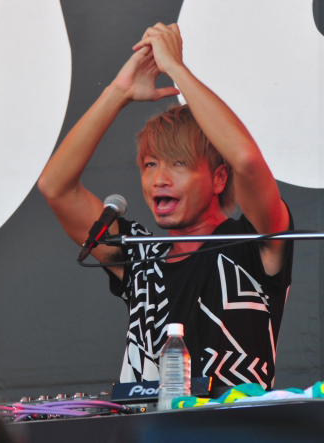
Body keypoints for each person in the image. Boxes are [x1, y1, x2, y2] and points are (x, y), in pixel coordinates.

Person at [38, 23, 293, 389]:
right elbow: (55, 187)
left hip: (234, 420)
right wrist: (118, 92)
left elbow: (248, 161)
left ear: (219, 178)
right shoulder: (141, 257)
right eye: (150, 164)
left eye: (178, 163)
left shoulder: (251, 244)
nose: (159, 179)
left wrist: (175, 68)